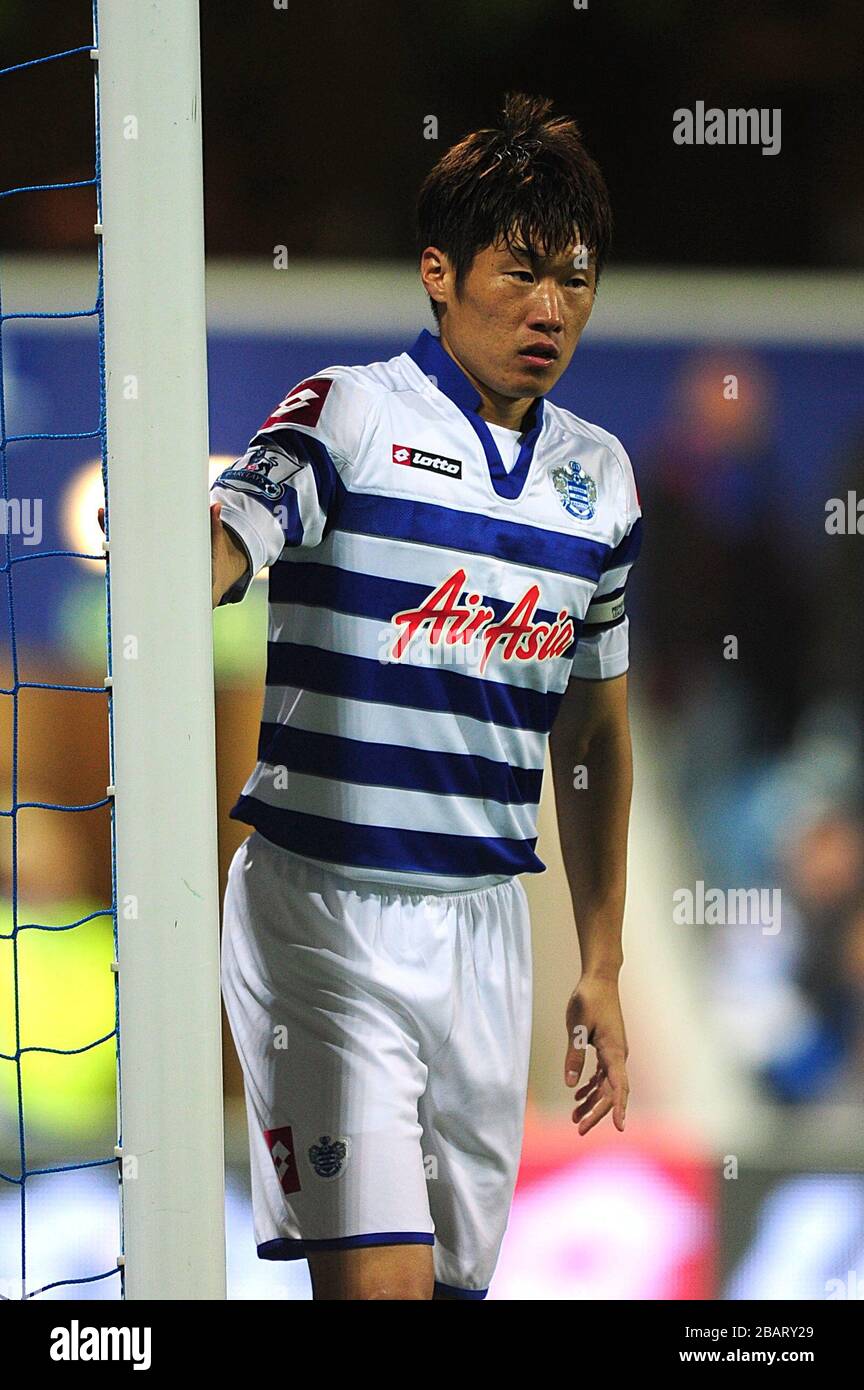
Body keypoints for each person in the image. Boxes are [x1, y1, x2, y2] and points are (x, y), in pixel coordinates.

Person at [211, 92, 642, 1300]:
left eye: (576, 277)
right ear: (439, 274)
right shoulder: (347, 414)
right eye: (521, 273)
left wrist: (601, 960)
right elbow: (221, 545)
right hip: (324, 918)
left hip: (485, 933)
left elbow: (595, 724)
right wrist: (175, 560)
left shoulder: (598, 481)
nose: (552, 306)